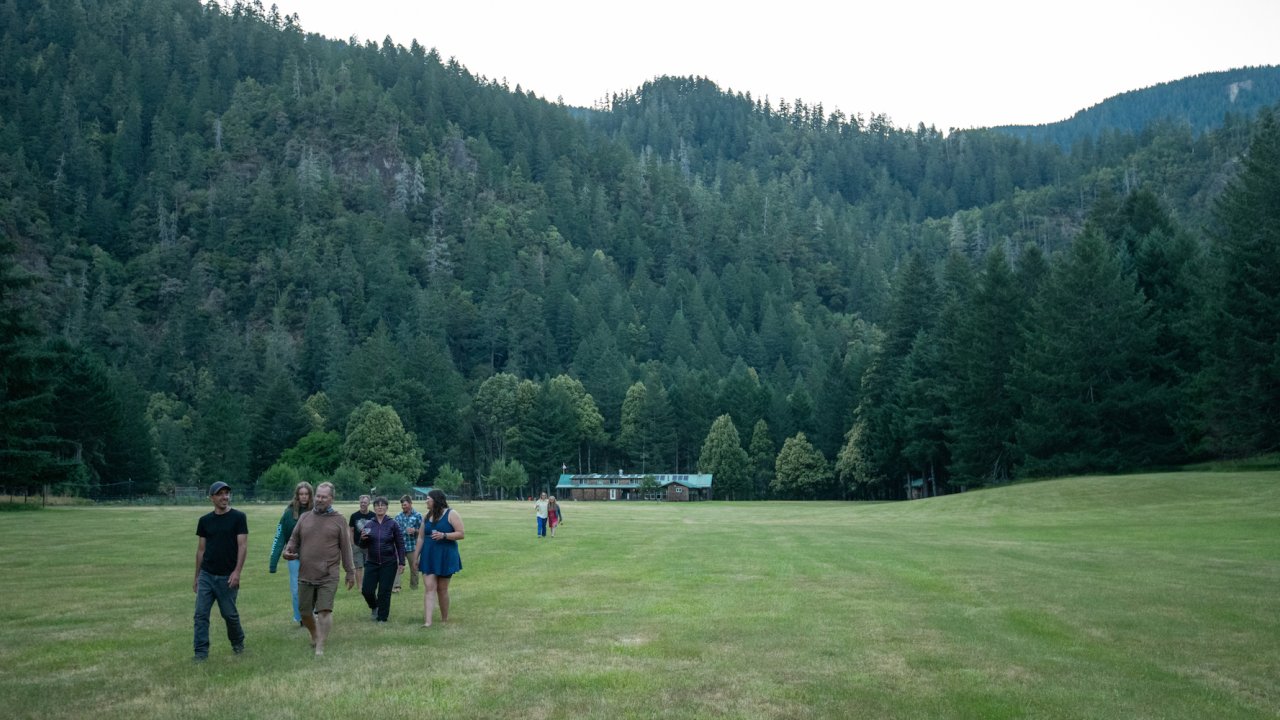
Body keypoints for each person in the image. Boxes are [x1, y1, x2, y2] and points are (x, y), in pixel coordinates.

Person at [282, 482, 355, 656]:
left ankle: (320, 647)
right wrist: (288, 550)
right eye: (318, 496)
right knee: (305, 612)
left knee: (324, 610)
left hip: (328, 574)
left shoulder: (339, 520)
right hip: (306, 572)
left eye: (324, 497)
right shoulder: (305, 517)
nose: (319, 499)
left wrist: (350, 571)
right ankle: (315, 634)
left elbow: (346, 548)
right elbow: (293, 539)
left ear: (331, 499)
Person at [193, 481, 247, 662]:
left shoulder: (238, 517)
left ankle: (238, 643)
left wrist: (237, 572)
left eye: (227, 493)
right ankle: (200, 653)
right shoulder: (205, 521)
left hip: (227, 576)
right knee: (200, 615)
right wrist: (197, 577)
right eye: (220, 494)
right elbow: (201, 550)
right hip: (207, 574)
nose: (225, 497)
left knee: (229, 615)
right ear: (212, 498)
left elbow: (242, 546)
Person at [414, 489, 463, 627]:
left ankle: (444, 619)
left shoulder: (451, 514)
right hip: (429, 555)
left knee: (442, 589)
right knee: (429, 587)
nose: (426, 501)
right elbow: (421, 537)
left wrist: (444, 535)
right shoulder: (426, 516)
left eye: (428, 498)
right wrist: (416, 557)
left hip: (445, 555)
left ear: (435, 499)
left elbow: (461, 533)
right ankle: (428, 622)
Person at [268, 481, 313, 624]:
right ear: (297, 495)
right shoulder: (288, 514)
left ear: (310, 496)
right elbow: (279, 537)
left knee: (313, 587)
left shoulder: (317, 512)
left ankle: (312, 614)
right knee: (296, 590)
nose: (304, 497)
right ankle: (300, 617)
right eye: (301, 494)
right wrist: (273, 563)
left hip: (313, 557)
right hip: (294, 556)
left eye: (306, 494)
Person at [358, 496, 405, 622]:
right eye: (377, 505)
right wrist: (362, 539)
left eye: (382, 505)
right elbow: (362, 546)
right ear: (373, 508)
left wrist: (402, 562)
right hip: (372, 562)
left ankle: (382, 618)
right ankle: (374, 606)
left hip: (389, 563)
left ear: (386, 507)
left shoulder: (393, 524)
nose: (380, 507)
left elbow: (400, 544)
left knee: (384, 592)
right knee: (366, 590)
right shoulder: (369, 524)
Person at [393, 495, 423, 592]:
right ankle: (396, 587)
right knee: (397, 566)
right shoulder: (398, 516)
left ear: (410, 504)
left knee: (414, 567)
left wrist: (415, 530)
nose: (403, 507)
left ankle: (414, 587)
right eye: (402, 505)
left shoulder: (418, 516)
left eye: (405, 505)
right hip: (400, 547)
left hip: (412, 546)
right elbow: (393, 531)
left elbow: (423, 532)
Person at [348, 495, 374, 588]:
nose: (362, 504)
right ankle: (360, 587)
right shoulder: (354, 516)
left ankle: (367, 584)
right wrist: (352, 544)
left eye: (365, 503)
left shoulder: (373, 516)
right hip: (357, 545)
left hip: (369, 546)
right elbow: (351, 530)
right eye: (361, 502)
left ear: (369, 503)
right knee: (358, 566)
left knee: (369, 566)